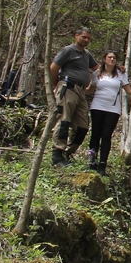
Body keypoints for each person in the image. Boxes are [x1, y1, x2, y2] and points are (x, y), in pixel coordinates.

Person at [87, 50, 131, 173]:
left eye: (114, 58)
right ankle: (92, 161)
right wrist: (76, 89)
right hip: (97, 106)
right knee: (95, 134)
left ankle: (102, 164)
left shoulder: (120, 74)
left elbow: (129, 91)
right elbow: (89, 90)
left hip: (113, 109)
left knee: (106, 135)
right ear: (104, 59)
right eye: (109, 57)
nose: (112, 59)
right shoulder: (97, 74)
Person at [50, 27, 99, 166]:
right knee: (64, 120)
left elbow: (98, 68)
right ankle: (57, 156)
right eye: (84, 37)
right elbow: (53, 68)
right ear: (76, 36)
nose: (86, 40)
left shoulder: (86, 54)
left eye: (88, 38)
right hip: (68, 87)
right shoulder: (68, 51)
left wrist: (116, 69)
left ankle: (68, 152)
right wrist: (57, 85)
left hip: (81, 91)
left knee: (83, 125)